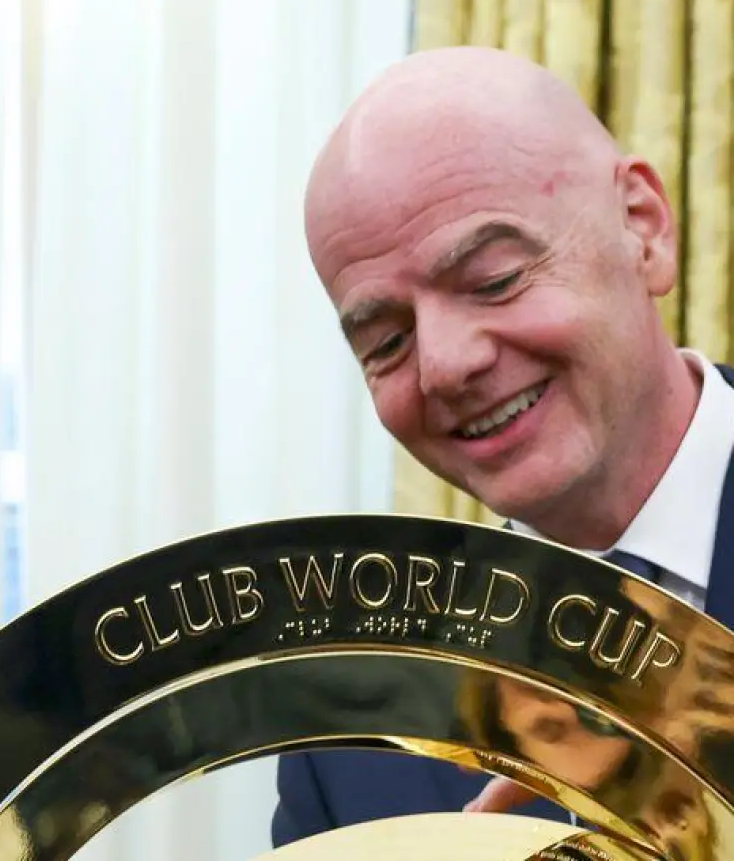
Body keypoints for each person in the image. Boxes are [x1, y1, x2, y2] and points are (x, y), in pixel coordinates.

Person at [271, 44, 734, 846]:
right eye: (385, 342)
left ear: (642, 229)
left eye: (492, 279)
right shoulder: (352, 735)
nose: (446, 365)